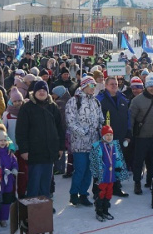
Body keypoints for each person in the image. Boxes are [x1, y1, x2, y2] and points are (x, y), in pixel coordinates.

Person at [15, 80, 65, 201]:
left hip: (49, 152)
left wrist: (60, 147)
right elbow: (21, 131)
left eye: (44, 90)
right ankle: (33, 207)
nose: (42, 92)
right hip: (34, 152)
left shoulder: (52, 107)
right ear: (34, 92)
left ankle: (44, 205)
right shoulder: (27, 108)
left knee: (46, 182)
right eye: (39, 90)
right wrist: (24, 149)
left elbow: (60, 128)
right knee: (34, 181)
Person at [65, 76, 104, 206]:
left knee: (89, 170)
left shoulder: (96, 102)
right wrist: (84, 132)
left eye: (94, 86)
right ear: (84, 86)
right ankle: (73, 193)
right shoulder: (74, 101)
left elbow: (100, 119)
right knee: (80, 169)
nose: (94, 88)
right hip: (80, 143)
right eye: (91, 86)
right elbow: (70, 121)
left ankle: (83, 194)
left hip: (94, 143)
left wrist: (103, 130)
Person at [129, 75, 153, 195]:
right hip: (141, 137)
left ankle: (151, 182)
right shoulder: (136, 100)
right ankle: (137, 183)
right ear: (146, 87)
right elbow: (131, 118)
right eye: (150, 86)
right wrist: (130, 134)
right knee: (139, 162)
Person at [89, 125, 129, 221]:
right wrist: (98, 173)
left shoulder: (114, 146)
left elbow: (118, 158)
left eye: (111, 135)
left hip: (111, 176)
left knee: (109, 192)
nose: (109, 137)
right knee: (101, 192)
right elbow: (95, 161)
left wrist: (118, 168)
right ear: (102, 136)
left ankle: (105, 210)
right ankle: (99, 211)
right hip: (103, 176)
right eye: (106, 135)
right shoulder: (98, 146)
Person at [0, 126, 17, 228]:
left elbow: (14, 161)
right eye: (0, 140)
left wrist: (14, 169)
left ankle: (4, 218)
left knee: (6, 200)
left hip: (9, 181)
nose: (2, 142)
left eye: (4, 140)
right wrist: (2, 171)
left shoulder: (9, 152)